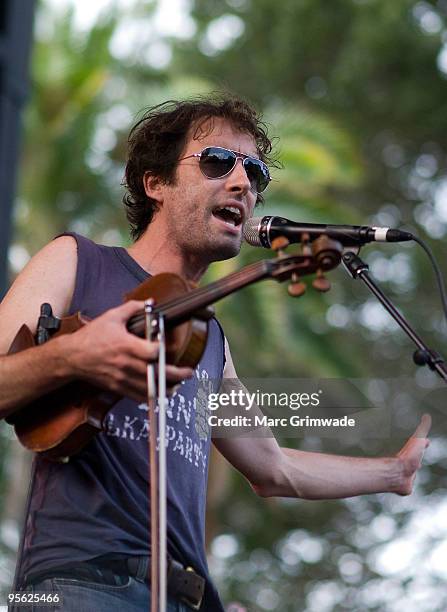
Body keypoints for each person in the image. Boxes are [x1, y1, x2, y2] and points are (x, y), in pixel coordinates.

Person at [0, 96, 431, 612]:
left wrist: (392, 473)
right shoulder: (79, 262)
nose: (243, 182)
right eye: (217, 162)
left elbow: (272, 468)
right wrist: (73, 357)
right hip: (77, 586)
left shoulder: (209, 342)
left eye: (254, 171)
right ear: (155, 183)